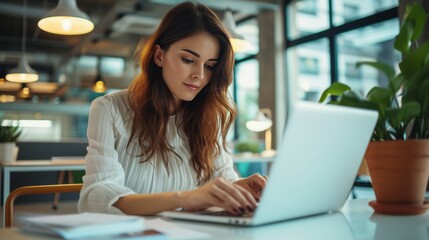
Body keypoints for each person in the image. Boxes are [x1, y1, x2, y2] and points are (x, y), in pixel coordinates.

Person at [78, 1, 267, 216]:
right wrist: (187, 197)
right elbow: (98, 197)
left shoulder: (208, 117)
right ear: (159, 56)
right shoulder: (109, 109)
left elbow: (222, 179)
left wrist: (241, 188)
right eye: (188, 59)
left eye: (210, 66)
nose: (200, 75)